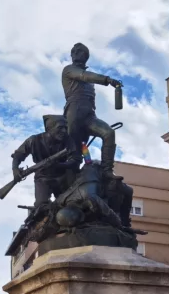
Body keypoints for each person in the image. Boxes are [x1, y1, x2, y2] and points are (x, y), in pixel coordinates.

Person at [61, 42, 122, 176]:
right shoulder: (69, 70)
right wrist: (108, 80)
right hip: (74, 112)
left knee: (109, 133)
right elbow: (84, 75)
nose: (76, 53)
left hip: (89, 115)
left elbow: (88, 84)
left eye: (79, 51)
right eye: (74, 51)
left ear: (86, 56)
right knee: (76, 155)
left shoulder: (90, 81)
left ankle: (107, 171)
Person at [10, 115, 82, 207]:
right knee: (40, 206)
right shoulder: (34, 140)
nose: (64, 131)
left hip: (63, 178)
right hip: (42, 178)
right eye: (60, 128)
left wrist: (60, 165)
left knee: (69, 204)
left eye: (65, 128)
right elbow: (18, 155)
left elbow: (76, 160)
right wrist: (15, 169)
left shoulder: (68, 140)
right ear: (49, 128)